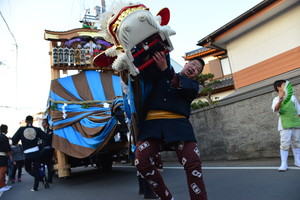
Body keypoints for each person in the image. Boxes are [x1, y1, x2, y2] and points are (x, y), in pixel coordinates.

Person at [135, 51, 208, 200]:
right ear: (186, 64)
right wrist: (147, 55)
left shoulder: (192, 86)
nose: (194, 68)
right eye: (193, 64)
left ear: (196, 76)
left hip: (179, 126)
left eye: (198, 70)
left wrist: (166, 70)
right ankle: (166, 197)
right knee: (140, 161)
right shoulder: (160, 74)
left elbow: (177, 82)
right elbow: (144, 71)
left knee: (193, 161)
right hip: (152, 126)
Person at [12, 115, 50, 191]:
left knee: (27, 169)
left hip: (27, 154)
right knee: (36, 169)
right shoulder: (37, 129)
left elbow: (14, 140)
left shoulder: (21, 129)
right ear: (32, 121)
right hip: (36, 152)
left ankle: (41, 178)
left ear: (26, 121)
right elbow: (46, 138)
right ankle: (35, 187)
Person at [272, 80, 300, 172]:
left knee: (297, 142)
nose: (287, 86)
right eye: (284, 85)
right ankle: (284, 163)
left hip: (296, 123)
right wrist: (280, 101)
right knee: (284, 144)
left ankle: (297, 161)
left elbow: (298, 110)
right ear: (279, 88)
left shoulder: (292, 97)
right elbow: (275, 109)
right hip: (284, 125)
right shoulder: (276, 99)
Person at [40, 118, 54, 183]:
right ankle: (49, 179)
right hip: (45, 149)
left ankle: (43, 176)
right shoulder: (44, 132)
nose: (42, 124)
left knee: (38, 157)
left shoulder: (50, 131)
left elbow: (48, 139)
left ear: (47, 124)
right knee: (49, 164)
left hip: (48, 149)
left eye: (43, 123)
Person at [0, 124, 14, 192]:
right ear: (6, 130)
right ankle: (1, 186)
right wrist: (11, 156)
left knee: (3, 171)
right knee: (2, 171)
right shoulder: (4, 137)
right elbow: (7, 148)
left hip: (1, 156)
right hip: (2, 156)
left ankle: (4, 184)